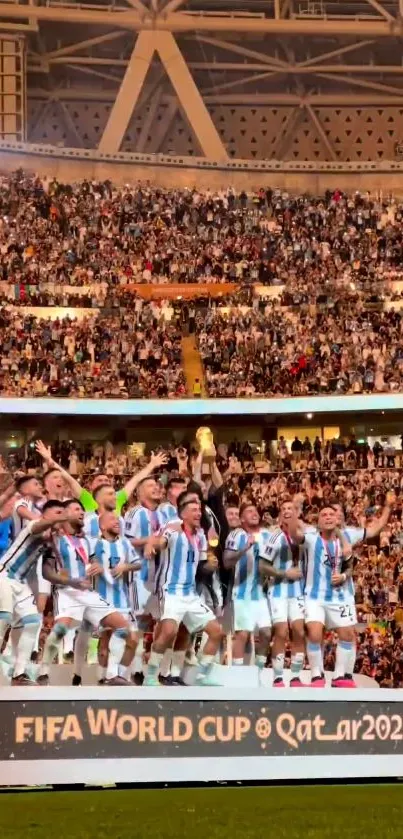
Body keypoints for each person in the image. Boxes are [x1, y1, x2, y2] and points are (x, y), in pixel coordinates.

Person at [38, 500, 134, 686]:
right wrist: (70, 581)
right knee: (60, 630)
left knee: (123, 627)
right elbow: (46, 572)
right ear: (65, 513)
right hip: (66, 591)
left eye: (82, 509)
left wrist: (97, 564)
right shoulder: (54, 540)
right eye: (77, 509)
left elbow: (93, 561)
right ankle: (43, 672)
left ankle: (112, 675)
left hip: (87, 593)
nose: (82, 512)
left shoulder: (86, 541)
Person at [144, 491, 223, 686]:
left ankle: (203, 676)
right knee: (169, 631)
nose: (199, 513)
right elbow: (160, 541)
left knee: (216, 632)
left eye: (200, 510)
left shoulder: (201, 537)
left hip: (190, 594)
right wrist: (152, 546)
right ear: (183, 514)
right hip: (170, 590)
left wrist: (211, 564)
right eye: (194, 510)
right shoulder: (173, 529)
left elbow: (202, 565)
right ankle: (151, 676)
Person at [0, 500, 68, 684]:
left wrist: (66, 579)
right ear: (46, 515)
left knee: (33, 622)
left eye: (63, 513)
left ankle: (18, 674)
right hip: (4, 575)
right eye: (58, 513)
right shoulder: (34, 524)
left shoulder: (53, 540)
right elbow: (41, 525)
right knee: (3, 620)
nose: (62, 517)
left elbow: (46, 571)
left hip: (21, 583)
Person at [259, 499, 306, 687]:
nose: (287, 511)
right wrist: (285, 573)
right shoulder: (274, 537)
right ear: (280, 515)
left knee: (299, 631)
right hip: (278, 590)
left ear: (297, 513)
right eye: (284, 508)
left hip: (298, 590)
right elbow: (262, 566)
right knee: (281, 631)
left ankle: (295, 676)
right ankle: (277, 677)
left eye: (291, 508)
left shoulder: (305, 536)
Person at [223, 502, 272, 678]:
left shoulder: (266, 535)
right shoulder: (236, 535)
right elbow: (227, 562)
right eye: (249, 511)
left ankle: (258, 671)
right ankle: (237, 674)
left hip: (261, 594)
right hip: (241, 593)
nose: (254, 513)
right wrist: (245, 548)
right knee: (242, 633)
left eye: (255, 511)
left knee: (266, 632)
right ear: (242, 518)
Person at [91, 512, 140, 683]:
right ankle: (106, 677)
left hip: (123, 600)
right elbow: (83, 565)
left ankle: (117, 675)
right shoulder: (95, 545)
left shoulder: (125, 543)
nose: (117, 521)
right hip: (102, 600)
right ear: (102, 526)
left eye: (117, 519)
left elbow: (139, 563)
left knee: (133, 639)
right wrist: (93, 567)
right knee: (105, 641)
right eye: (111, 519)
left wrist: (126, 566)